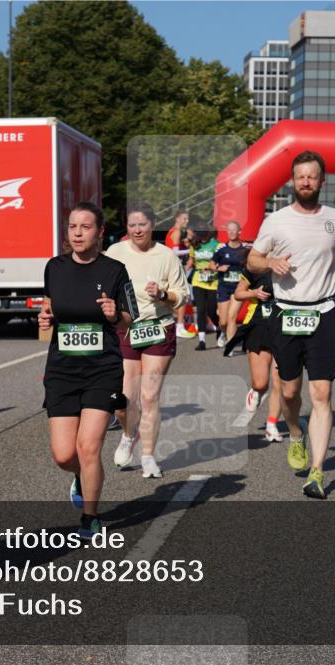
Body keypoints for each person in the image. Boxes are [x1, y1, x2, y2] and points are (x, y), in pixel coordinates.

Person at [247, 150, 335, 499]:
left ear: (322, 181)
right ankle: (295, 433)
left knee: (322, 392)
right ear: (292, 182)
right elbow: (252, 259)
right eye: (300, 177)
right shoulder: (276, 220)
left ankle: (317, 472)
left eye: (312, 176)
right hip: (286, 313)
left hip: (324, 312)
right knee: (290, 392)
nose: (306, 181)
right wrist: (269, 262)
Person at [38, 202, 133, 538]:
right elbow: (48, 316)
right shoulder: (54, 268)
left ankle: (90, 516)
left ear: (100, 232)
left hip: (102, 369)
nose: (77, 233)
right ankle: (81, 475)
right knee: (65, 454)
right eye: (72, 227)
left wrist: (113, 314)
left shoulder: (115, 270)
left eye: (85, 227)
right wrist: (44, 321)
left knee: (88, 447)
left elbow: (129, 320)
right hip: (62, 370)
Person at [105, 202, 188, 479]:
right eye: (132, 225)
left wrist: (163, 294)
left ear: (152, 224)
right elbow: (100, 282)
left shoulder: (166, 256)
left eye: (142, 224)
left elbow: (182, 294)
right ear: (126, 228)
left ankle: (149, 456)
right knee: (124, 398)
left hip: (158, 327)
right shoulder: (115, 252)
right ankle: (129, 434)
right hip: (126, 327)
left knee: (149, 396)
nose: (137, 230)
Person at [233, 267, 284, 443]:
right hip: (258, 325)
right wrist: (253, 293)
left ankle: (271, 425)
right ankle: (255, 393)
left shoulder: (294, 266)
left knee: (280, 381)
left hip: (285, 328)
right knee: (261, 383)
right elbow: (238, 293)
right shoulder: (255, 267)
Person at [185, 214, 221, 351]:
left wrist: (214, 267)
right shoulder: (195, 245)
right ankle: (202, 341)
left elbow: (220, 261)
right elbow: (191, 261)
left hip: (213, 281)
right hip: (198, 281)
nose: (198, 236)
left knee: (211, 311)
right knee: (201, 310)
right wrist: (186, 268)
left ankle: (219, 328)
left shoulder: (216, 245)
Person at [211, 221, 248, 350]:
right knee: (224, 321)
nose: (231, 232)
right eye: (229, 230)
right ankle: (222, 332)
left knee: (232, 317)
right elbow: (211, 265)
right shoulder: (221, 249)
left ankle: (230, 346)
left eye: (234, 230)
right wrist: (219, 268)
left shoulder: (245, 249)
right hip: (224, 287)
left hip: (238, 288)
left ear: (239, 231)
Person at [164, 209, 193, 337]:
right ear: (177, 219)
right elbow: (174, 252)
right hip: (176, 266)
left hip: (172, 265)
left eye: (187, 219)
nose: (186, 221)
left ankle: (178, 324)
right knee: (183, 296)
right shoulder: (176, 231)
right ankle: (180, 326)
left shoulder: (173, 231)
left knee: (175, 296)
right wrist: (190, 251)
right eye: (184, 219)